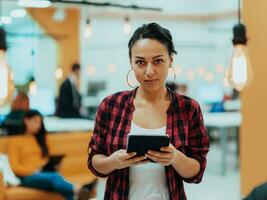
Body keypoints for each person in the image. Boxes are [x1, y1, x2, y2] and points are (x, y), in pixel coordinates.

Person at [87, 23, 209, 199]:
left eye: (158, 61)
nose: (149, 71)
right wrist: (113, 162)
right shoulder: (111, 106)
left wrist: (175, 157)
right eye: (140, 62)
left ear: (171, 59)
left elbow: (196, 171)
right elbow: (94, 161)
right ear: (131, 63)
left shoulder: (188, 109)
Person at [7, 110, 80, 200]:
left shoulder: (40, 139)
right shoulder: (14, 140)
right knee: (55, 177)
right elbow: (14, 167)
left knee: (66, 192)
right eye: (35, 122)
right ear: (26, 120)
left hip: (43, 173)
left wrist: (45, 165)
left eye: (40, 123)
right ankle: (79, 190)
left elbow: (45, 158)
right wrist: (33, 170)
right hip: (26, 177)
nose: (38, 125)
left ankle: (77, 192)